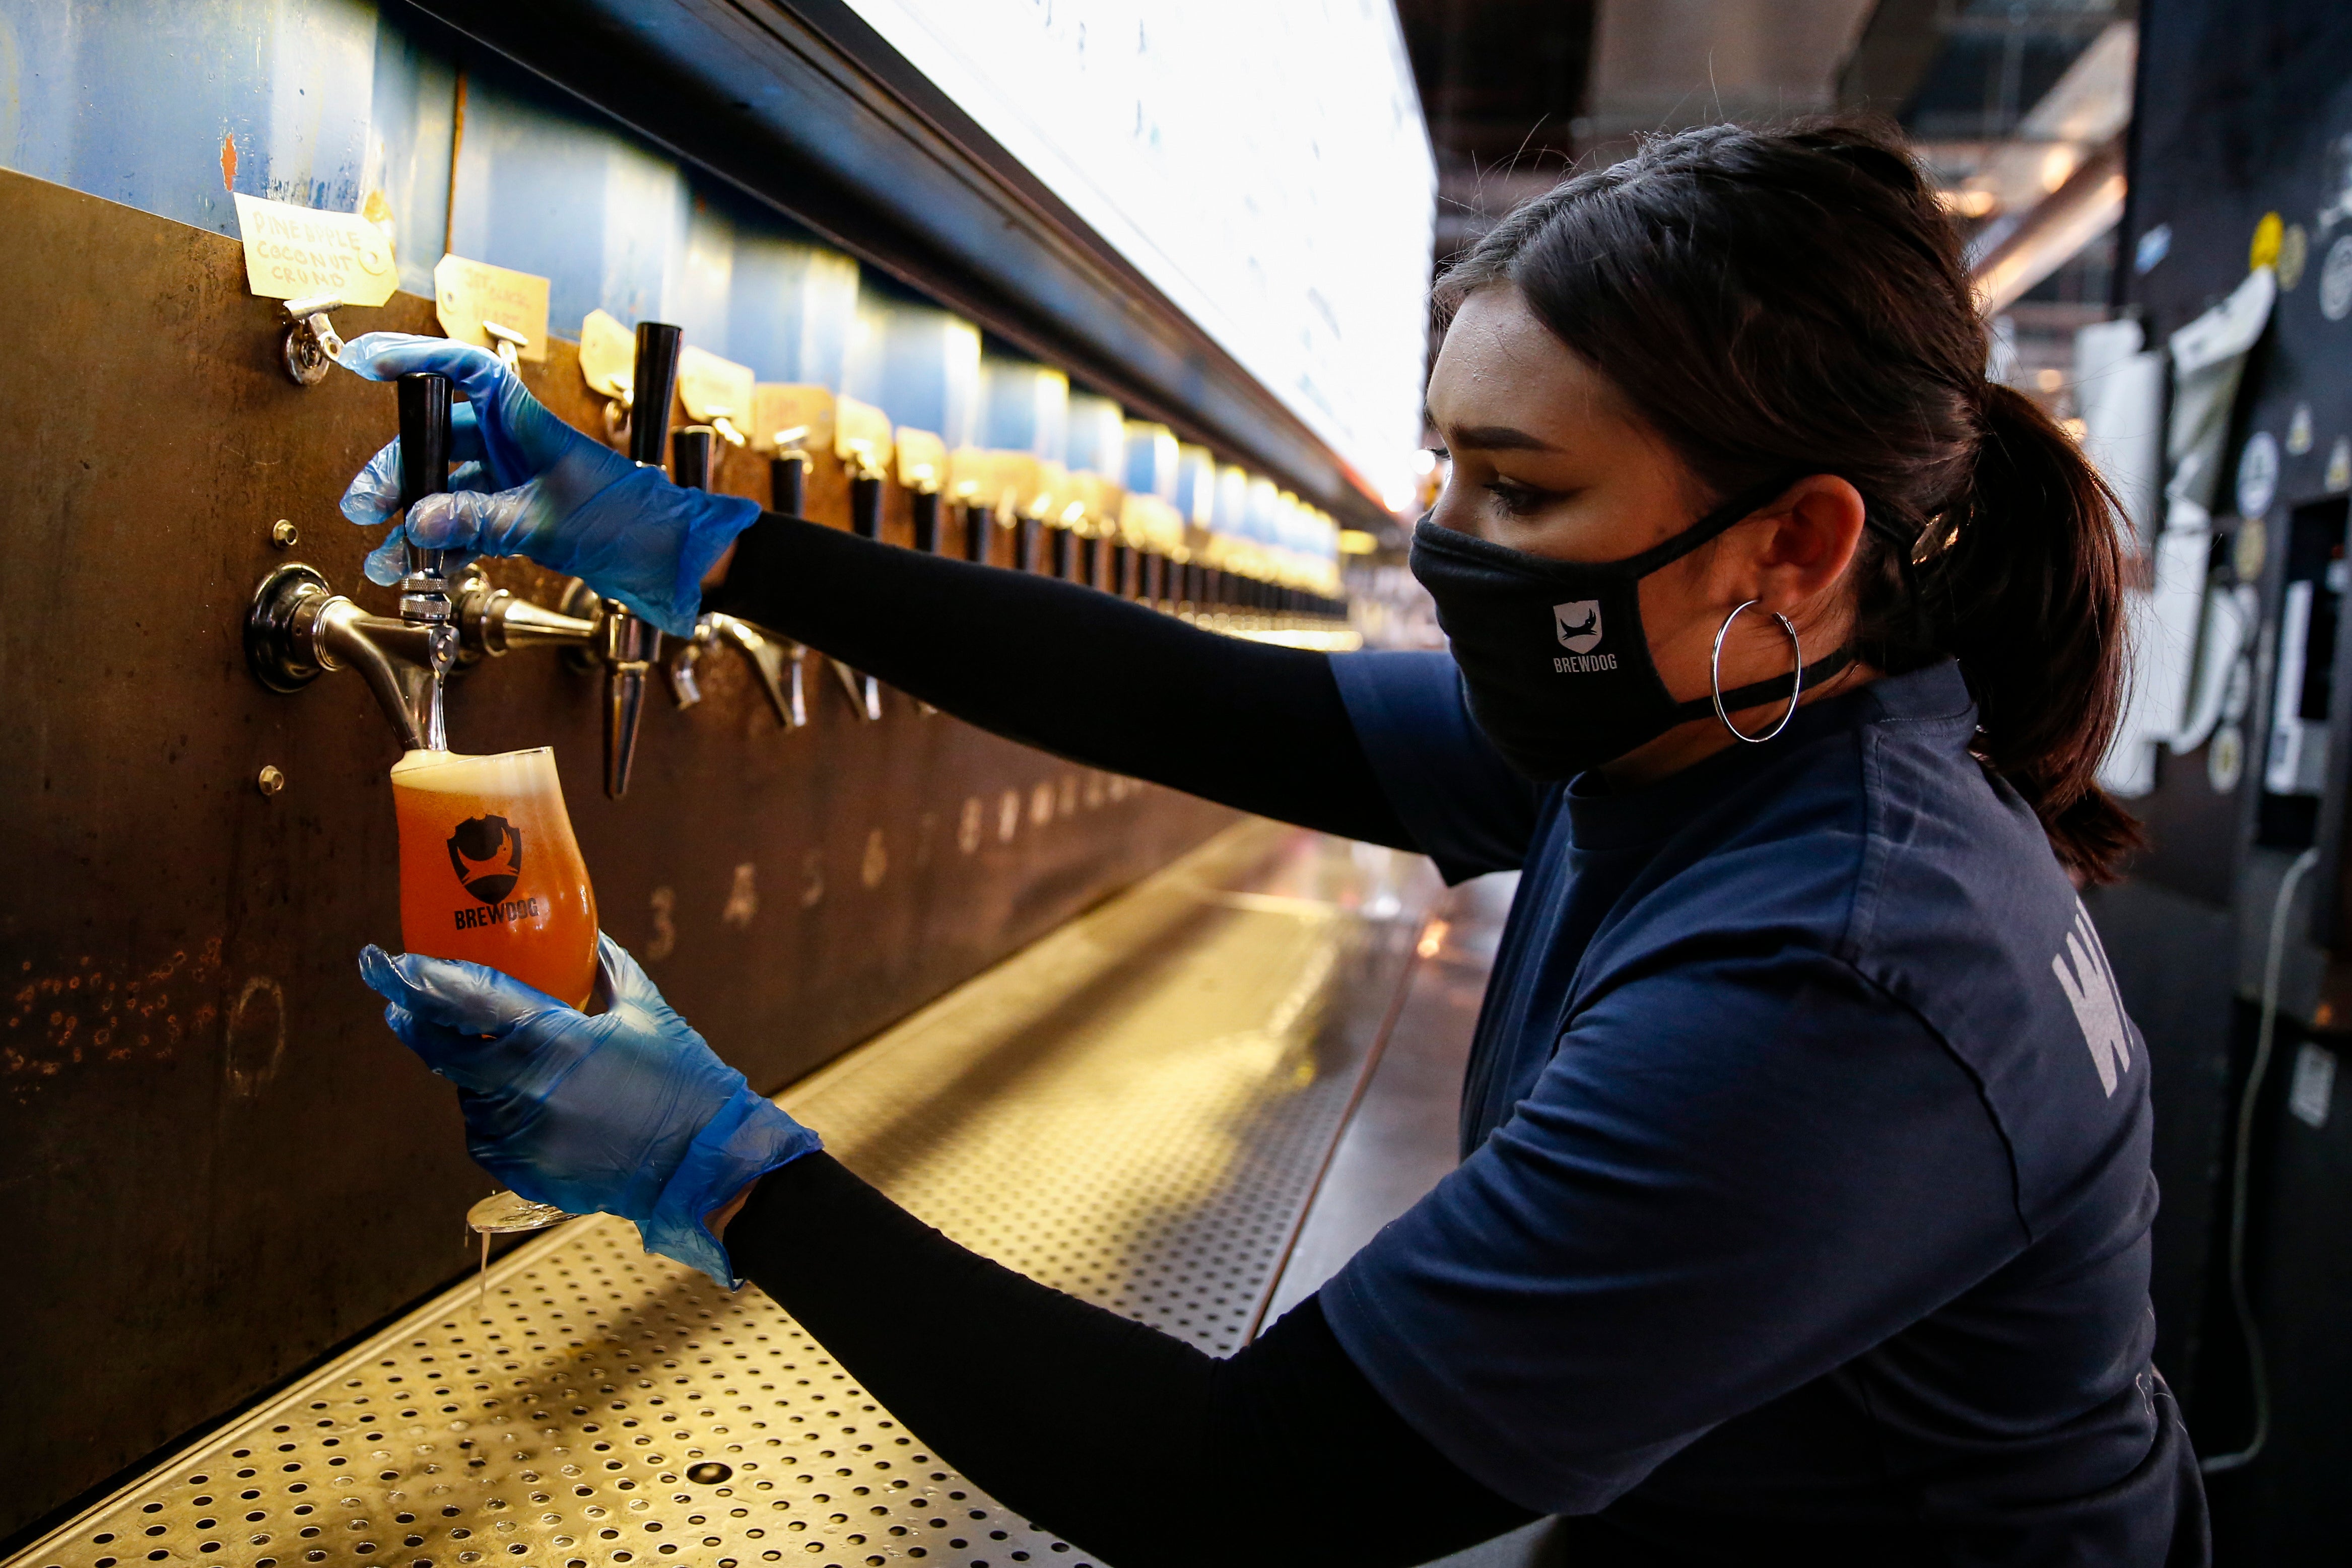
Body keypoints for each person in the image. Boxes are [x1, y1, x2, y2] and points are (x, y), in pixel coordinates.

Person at [341, 121, 2206, 1565]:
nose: (1446, 545)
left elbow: (1245, 1485)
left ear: (1791, 550)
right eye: (1445, 467)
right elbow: (1224, 706)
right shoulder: (1695, 721)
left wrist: (729, 1178)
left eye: (1526, 489)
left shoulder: (1843, 970)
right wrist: (700, 541)